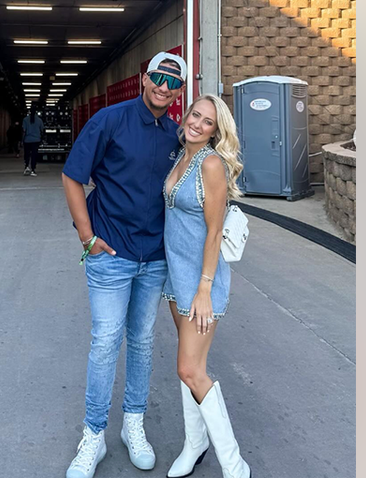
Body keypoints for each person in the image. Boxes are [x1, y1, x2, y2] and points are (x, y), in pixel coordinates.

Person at [60, 52, 187, 478]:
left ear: (180, 90)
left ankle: (134, 423)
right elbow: (73, 175)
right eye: (158, 77)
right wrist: (87, 237)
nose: (164, 87)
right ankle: (93, 435)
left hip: (154, 259)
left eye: (173, 82)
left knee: (143, 342)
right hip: (110, 255)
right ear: (143, 78)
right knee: (106, 341)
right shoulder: (110, 120)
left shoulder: (176, 135)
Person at [162, 95, 249, 478]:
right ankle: (194, 443)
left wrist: (204, 288)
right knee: (190, 367)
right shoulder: (180, 157)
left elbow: (214, 231)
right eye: (195, 114)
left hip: (201, 282)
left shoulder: (211, 164)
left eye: (208, 122)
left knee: (190, 369)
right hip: (175, 276)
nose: (197, 123)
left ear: (217, 131)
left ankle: (235, 465)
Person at [21, 107, 44, 176]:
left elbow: (24, 131)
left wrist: (22, 140)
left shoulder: (25, 120)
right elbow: (42, 129)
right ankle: (33, 169)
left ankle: (26, 167)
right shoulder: (39, 120)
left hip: (27, 140)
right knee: (34, 155)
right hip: (36, 140)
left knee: (27, 154)